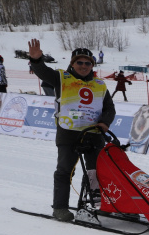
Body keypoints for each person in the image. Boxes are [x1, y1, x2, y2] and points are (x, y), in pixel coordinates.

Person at [27, 39, 115, 222]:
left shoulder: (99, 84)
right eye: (79, 62)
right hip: (68, 132)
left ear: (92, 65)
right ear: (72, 64)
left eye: (87, 63)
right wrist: (36, 60)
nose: (83, 66)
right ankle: (60, 208)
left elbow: (109, 108)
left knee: (96, 171)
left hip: (93, 133)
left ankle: (99, 204)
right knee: (65, 170)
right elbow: (43, 72)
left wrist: (104, 122)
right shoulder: (61, 78)